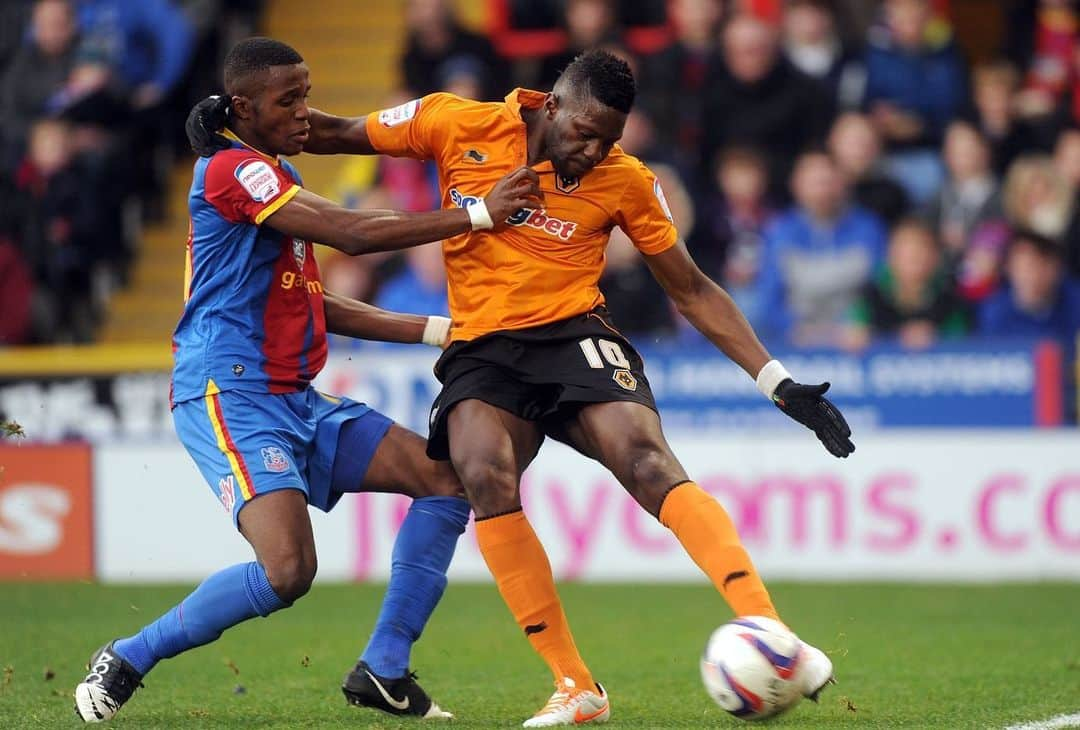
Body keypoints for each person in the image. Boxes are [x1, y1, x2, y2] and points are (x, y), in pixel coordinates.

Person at [188, 48, 852, 727]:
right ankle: (576, 687)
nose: (594, 151)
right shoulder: (455, 123)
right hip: (482, 347)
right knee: (482, 472)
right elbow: (333, 133)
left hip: (573, 333)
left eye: (610, 140)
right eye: (585, 133)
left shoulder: (627, 180)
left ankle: (774, 637)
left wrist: (776, 380)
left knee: (647, 460)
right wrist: (231, 131)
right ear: (552, 105)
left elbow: (691, 289)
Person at [72, 37, 542, 724]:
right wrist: (477, 213)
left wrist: (440, 331)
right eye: (287, 100)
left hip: (295, 396)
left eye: (306, 94)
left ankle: (383, 667)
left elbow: (314, 297)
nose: (303, 111)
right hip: (229, 393)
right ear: (243, 107)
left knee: (446, 481)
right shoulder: (231, 170)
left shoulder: (272, 173)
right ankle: (129, 656)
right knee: (289, 572)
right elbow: (350, 233)